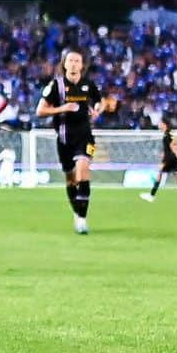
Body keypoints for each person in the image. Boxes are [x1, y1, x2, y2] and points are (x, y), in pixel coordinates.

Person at [36, 49, 105, 234]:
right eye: (71, 60)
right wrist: (63, 108)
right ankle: (77, 211)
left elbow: (100, 100)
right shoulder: (55, 86)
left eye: (77, 61)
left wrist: (98, 108)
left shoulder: (88, 84)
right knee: (70, 178)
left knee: (83, 170)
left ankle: (82, 219)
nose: (74, 64)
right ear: (64, 64)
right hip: (65, 139)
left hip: (85, 137)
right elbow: (40, 111)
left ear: (82, 65)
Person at [140, 119, 177, 203]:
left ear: (165, 125)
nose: (159, 125)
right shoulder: (168, 134)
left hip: (169, 158)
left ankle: (151, 195)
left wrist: (166, 159)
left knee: (161, 174)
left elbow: (173, 146)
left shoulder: (168, 135)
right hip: (172, 157)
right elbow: (173, 145)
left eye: (160, 123)